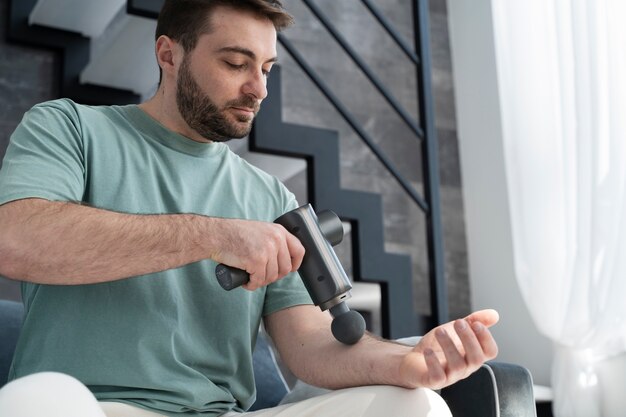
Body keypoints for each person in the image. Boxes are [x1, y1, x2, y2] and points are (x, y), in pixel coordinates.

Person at [0, 0, 499, 416]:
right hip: (93, 406)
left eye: (265, 68)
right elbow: (17, 241)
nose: (258, 88)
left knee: (416, 407)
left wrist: (405, 363)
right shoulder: (69, 128)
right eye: (235, 63)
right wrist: (213, 236)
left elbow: (310, 344)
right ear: (168, 55)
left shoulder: (271, 198)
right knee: (34, 401)